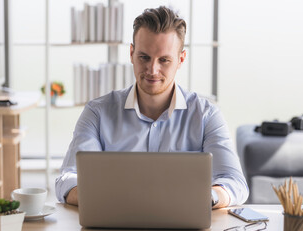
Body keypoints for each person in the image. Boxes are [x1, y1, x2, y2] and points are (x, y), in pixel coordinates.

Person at [55, 6, 249, 208]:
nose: (152, 70)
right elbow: (67, 180)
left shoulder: (206, 115)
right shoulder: (98, 113)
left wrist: (204, 198)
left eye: (164, 60)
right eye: (144, 57)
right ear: (131, 53)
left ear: (181, 59)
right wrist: (119, 200)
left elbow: (235, 183)